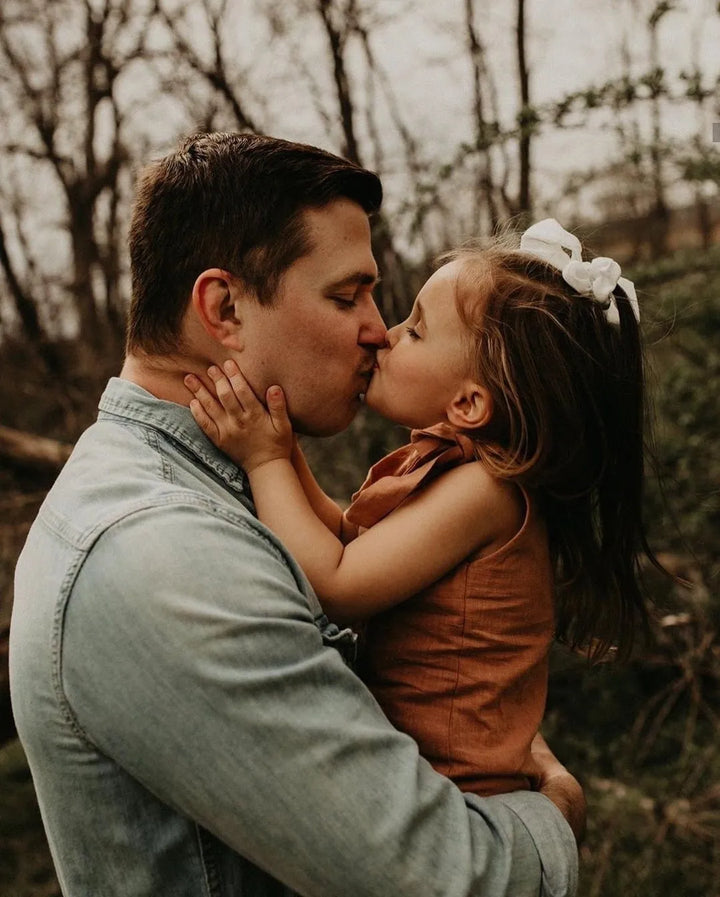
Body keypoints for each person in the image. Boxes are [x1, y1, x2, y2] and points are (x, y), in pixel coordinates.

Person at [10, 133, 583, 897]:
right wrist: (555, 816)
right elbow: (452, 879)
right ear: (225, 308)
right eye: (346, 296)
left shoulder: (215, 488)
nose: (377, 328)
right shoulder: (162, 556)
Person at [185, 218, 654, 799]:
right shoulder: (461, 471)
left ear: (469, 401)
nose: (385, 333)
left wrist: (264, 464)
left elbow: (337, 583)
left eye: (416, 331)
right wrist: (282, 450)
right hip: (419, 774)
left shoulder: (486, 493)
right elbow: (350, 544)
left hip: (457, 799)